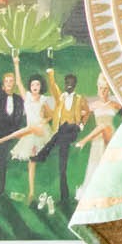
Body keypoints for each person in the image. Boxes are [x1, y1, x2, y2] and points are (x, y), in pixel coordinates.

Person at [0, 55, 53, 206]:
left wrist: (43, 122)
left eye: (37, 85)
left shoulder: (43, 100)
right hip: (31, 130)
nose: (35, 87)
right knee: (31, 161)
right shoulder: (28, 98)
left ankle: (35, 193)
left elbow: (51, 115)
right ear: (30, 87)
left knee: (34, 159)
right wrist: (16, 63)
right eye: (32, 85)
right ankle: (31, 192)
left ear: (40, 87)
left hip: (40, 131)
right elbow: (18, 82)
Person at [32, 66, 88, 205]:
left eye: (71, 83)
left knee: (64, 128)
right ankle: (64, 196)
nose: (68, 85)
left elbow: (87, 111)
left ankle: (43, 154)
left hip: (73, 130)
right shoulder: (61, 97)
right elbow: (52, 85)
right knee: (62, 165)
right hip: (62, 135)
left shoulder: (80, 98)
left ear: (75, 85)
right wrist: (50, 70)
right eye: (66, 83)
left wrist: (81, 124)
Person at [0, 51, 25, 198]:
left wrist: (15, 131)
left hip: (13, 132)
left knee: (13, 159)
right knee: (2, 161)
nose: (9, 84)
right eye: (7, 81)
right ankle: (0, 190)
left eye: (11, 81)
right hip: (1, 132)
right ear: (3, 85)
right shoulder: (0, 96)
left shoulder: (18, 99)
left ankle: (17, 188)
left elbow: (19, 116)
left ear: (14, 84)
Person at [75, 76, 120, 199]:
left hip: (110, 136)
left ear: (109, 90)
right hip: (97, 140)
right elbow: (82, 120)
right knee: (97, 164)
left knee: (104, 126)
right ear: (97, 89)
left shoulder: (115, 105)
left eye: (105, 89)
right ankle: (99, 191)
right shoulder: (93, 105)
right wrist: (80, 122)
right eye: (101, 88)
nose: (103, 91)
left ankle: (83, 142)